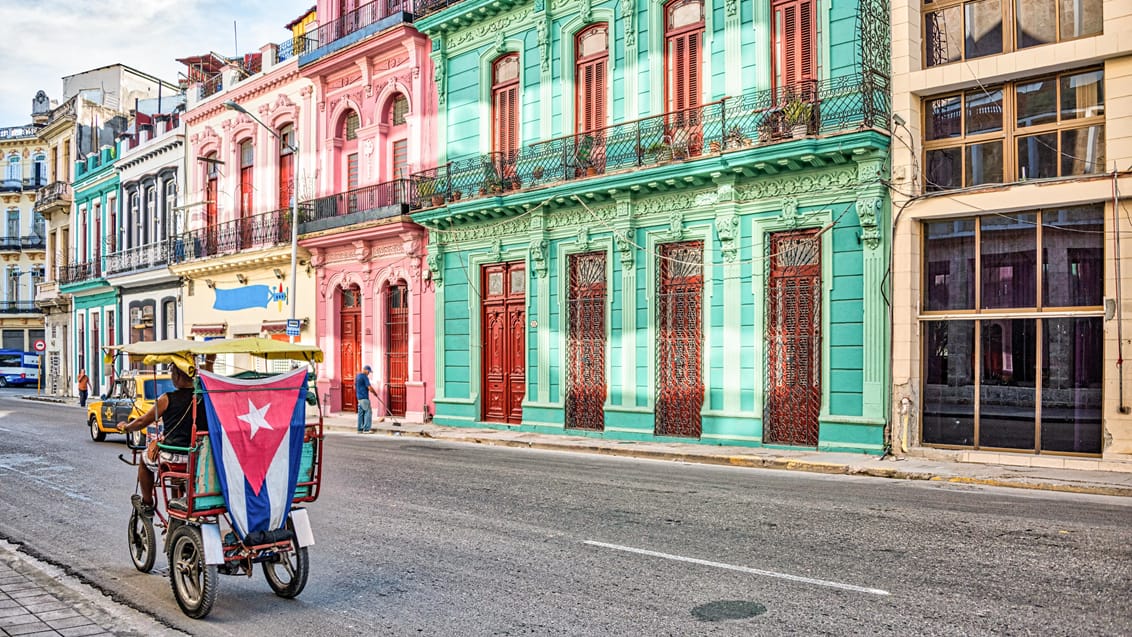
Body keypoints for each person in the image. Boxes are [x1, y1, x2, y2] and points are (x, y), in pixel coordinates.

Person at [116, 364, 207, 516]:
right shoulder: (203, 398)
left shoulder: (167, 399)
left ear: (177, 376)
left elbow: (142, 421)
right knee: (179, 473)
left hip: (173, 457)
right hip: (199, 458)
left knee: (144, 460)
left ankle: (147, 503)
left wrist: (126, 427)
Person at [355, 365, 379, 434]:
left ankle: (359, 429)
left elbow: (355, 386)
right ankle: (366, 429)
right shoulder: (365, 377)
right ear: (366, 370)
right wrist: (375, 393)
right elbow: (369, 387)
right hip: (364, 397)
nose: (369, 373)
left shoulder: (358, 376)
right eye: (368, 371)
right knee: (368, 412)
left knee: (361, 413)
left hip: (359, 397)